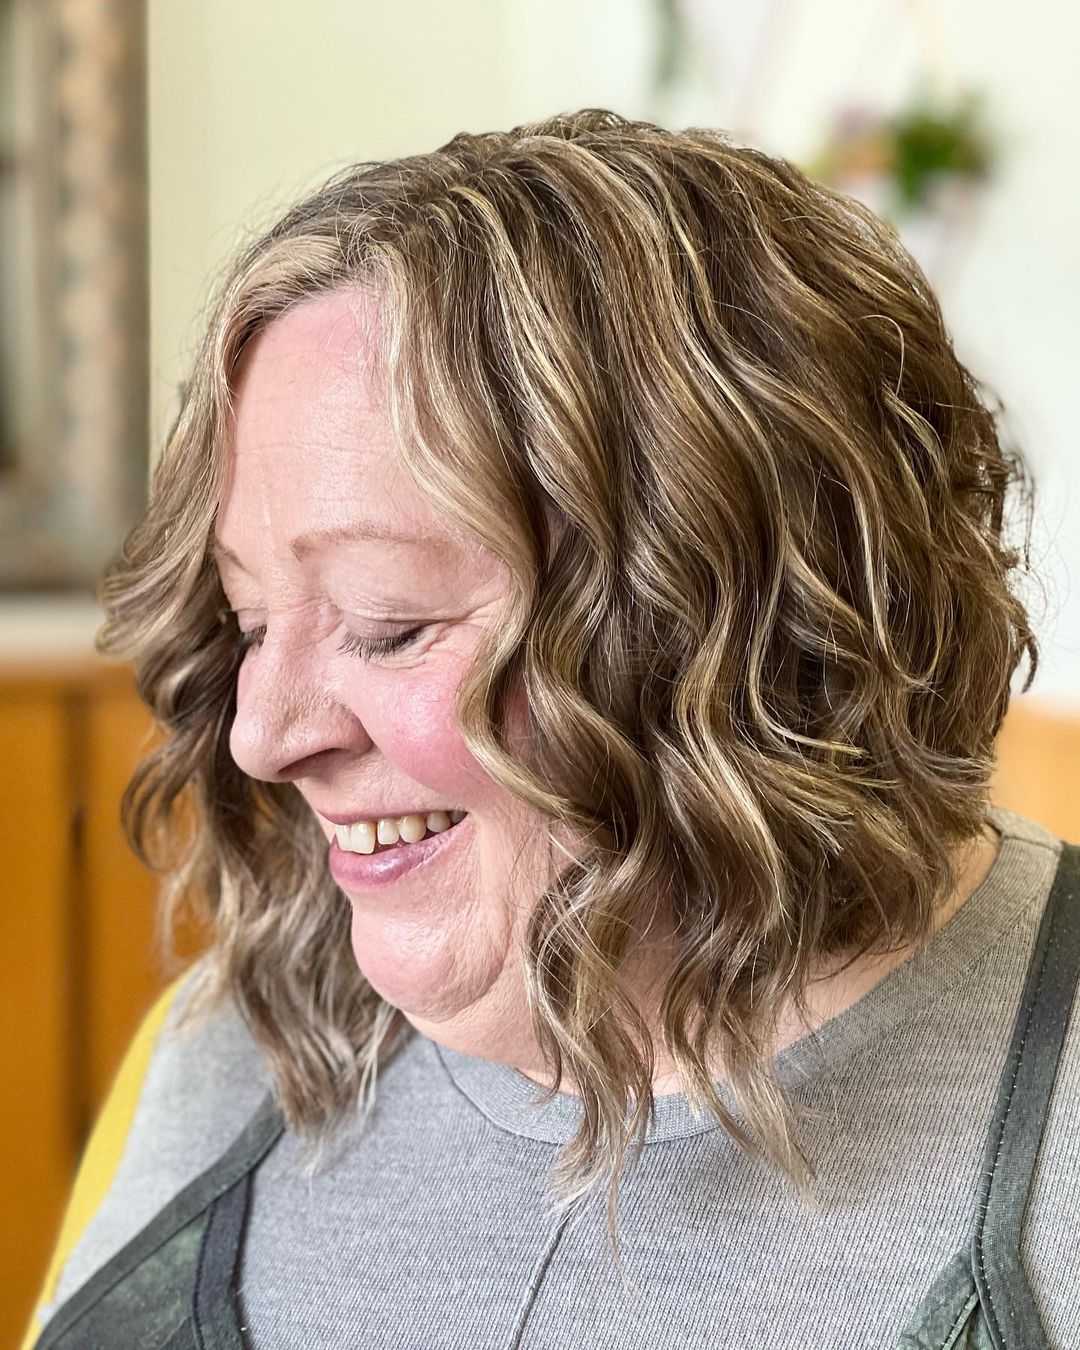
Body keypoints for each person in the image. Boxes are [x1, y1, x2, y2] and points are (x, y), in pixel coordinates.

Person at [23, 108, 1079, 1350]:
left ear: (732, 625)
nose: (264, 735)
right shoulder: (239, 1041)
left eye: (390, 622)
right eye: (253, 621)